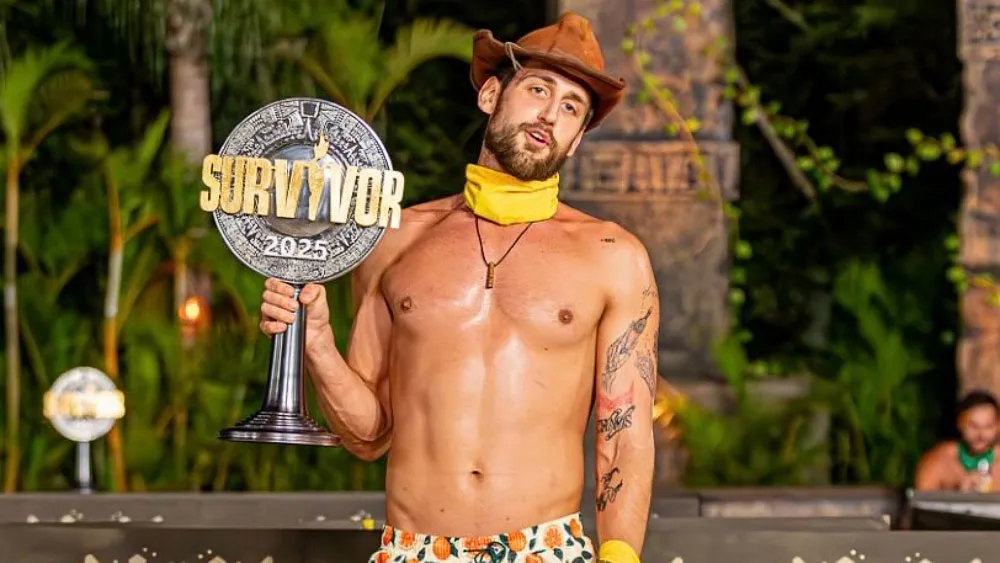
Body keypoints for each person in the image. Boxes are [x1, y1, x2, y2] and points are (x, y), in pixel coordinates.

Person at [259, 11, 657, 563]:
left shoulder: (613, 257)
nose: (550, 114)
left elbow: (624, 437)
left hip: (545, 550)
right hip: (413, 549)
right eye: (538, 89)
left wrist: (619, 558)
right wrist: (317, 343)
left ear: (576, 141)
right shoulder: (393, 240)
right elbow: (368, 437)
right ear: (491, 95)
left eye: (571, 107)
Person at [915, 390, 1000, 492]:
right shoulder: (939, 459)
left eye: (988, 426)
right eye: (974, 426)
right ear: (960, 424)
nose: (980, 434)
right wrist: (959, 491)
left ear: (998, 426)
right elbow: (922, 498)